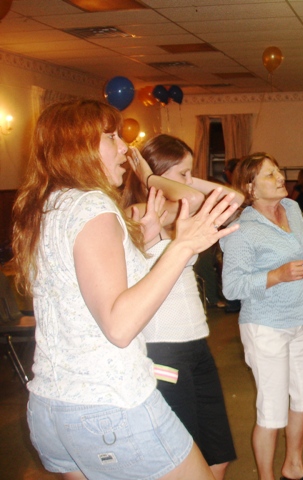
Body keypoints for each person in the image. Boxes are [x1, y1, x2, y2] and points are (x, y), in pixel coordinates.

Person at [11, 99, 239, 480]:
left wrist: (143, 242)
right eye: (111, 138)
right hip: (109, 405)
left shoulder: (51, 205)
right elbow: (118, 326)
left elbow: (84, 299)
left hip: (53, 406)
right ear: (79, 147)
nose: (124, 148)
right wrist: (182, 246)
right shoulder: (93, 207)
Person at [220, 153, 303, 480]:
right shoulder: (241, 230)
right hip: (265, 326)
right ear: (250, 188)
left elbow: (302, 255)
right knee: (272, 412)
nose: (280, 178)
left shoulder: (290, 208)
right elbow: (231, 287)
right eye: (270, 174)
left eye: (278, 171)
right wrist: (276, 275)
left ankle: (293, 466)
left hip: (299, 319)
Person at [123, 134, 242, 479]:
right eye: (183, 173)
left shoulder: (183, 214)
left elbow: (234, 199)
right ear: (156, 174)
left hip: (196, 345)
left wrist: (183, 177)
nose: (191, 181)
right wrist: (150, 179)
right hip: (162, 348)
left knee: (217, 455)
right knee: (180, 458)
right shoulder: (135, 215)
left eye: (192, 172)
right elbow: (194, 197)